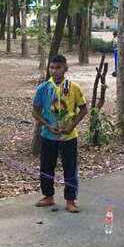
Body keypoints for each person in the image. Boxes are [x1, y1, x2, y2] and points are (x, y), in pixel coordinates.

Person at [32, 55, 88, 212]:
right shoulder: (43, 88)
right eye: (52, 67)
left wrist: (71, 125)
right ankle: (48, 196)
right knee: (46, 166)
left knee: (70, 168)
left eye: (58, 67)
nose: (54, 71)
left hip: (68, 137)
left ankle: (70, 200)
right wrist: (47, 125)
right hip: (48, 135)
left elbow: (83, 109)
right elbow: (35, 111)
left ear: (65, 69)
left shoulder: (74, 87)